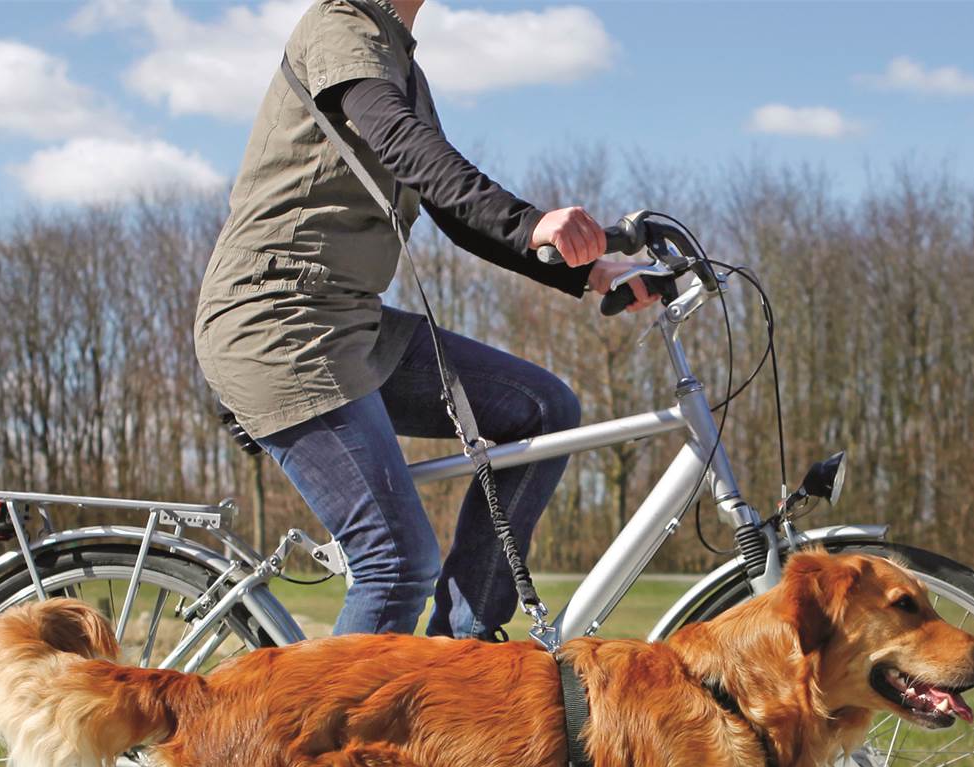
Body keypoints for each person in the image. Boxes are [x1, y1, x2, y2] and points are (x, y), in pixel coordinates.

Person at [194, 0, 655, 648]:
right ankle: (318, 748)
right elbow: (401, 142)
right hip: (277, 322)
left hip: (349, 322)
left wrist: (591, 271)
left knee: (542, 408)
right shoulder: (339, 23)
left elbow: (451, 208)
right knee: (395, 565)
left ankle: (459, 654)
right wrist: (531, 221)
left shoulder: (397, 56)